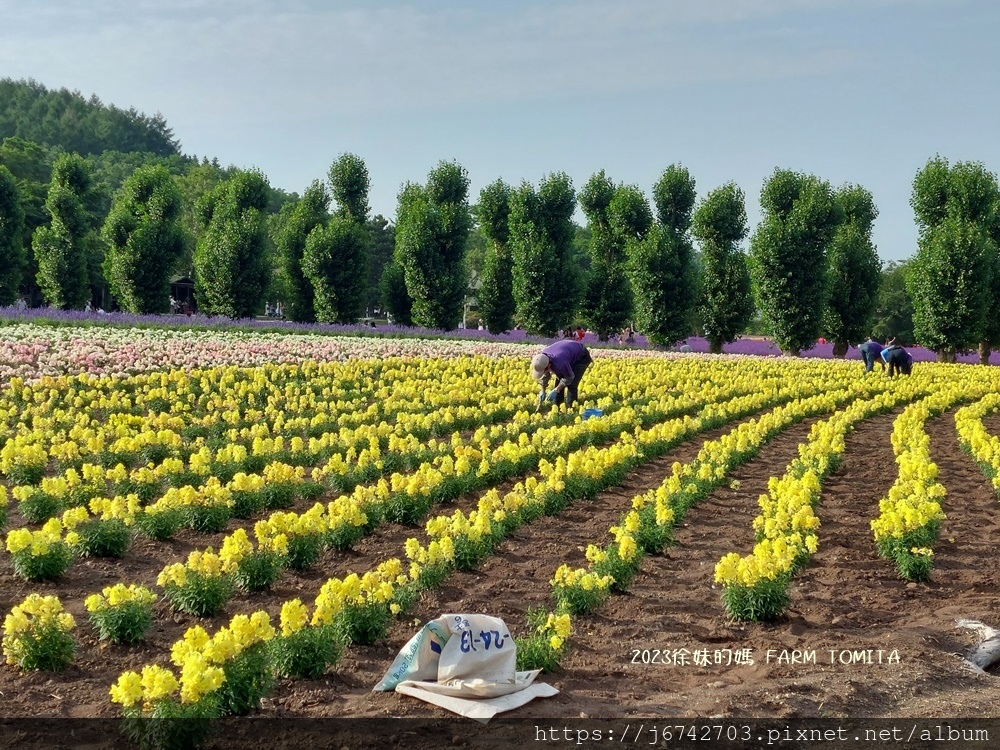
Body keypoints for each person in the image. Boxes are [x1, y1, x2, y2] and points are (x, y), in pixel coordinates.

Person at [531, 339, 593, 411]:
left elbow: (569, 377)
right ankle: (558, 407)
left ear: (548, 365)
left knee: (572, 384)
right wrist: (542, 391)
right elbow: (545, 375)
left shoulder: (560, 362)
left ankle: (571, 410)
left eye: (544, 370)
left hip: (581, 356)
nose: (544, 372)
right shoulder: (542, 358)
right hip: (568, 353)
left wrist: (556, 389)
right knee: (560, 380)